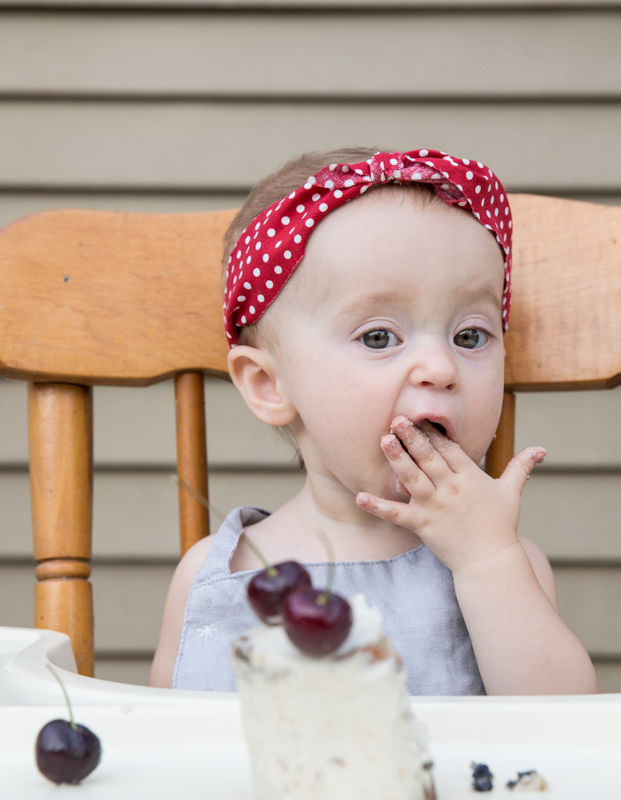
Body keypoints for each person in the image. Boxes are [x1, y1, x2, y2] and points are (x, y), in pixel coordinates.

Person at [149, 147, 597, 696]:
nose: (440, 367)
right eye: (379, 337)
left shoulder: (507, 565)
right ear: (270, 386)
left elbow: (564, 735)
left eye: (470, 336)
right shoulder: (219, 573)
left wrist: (486, 559)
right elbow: (163, 743)